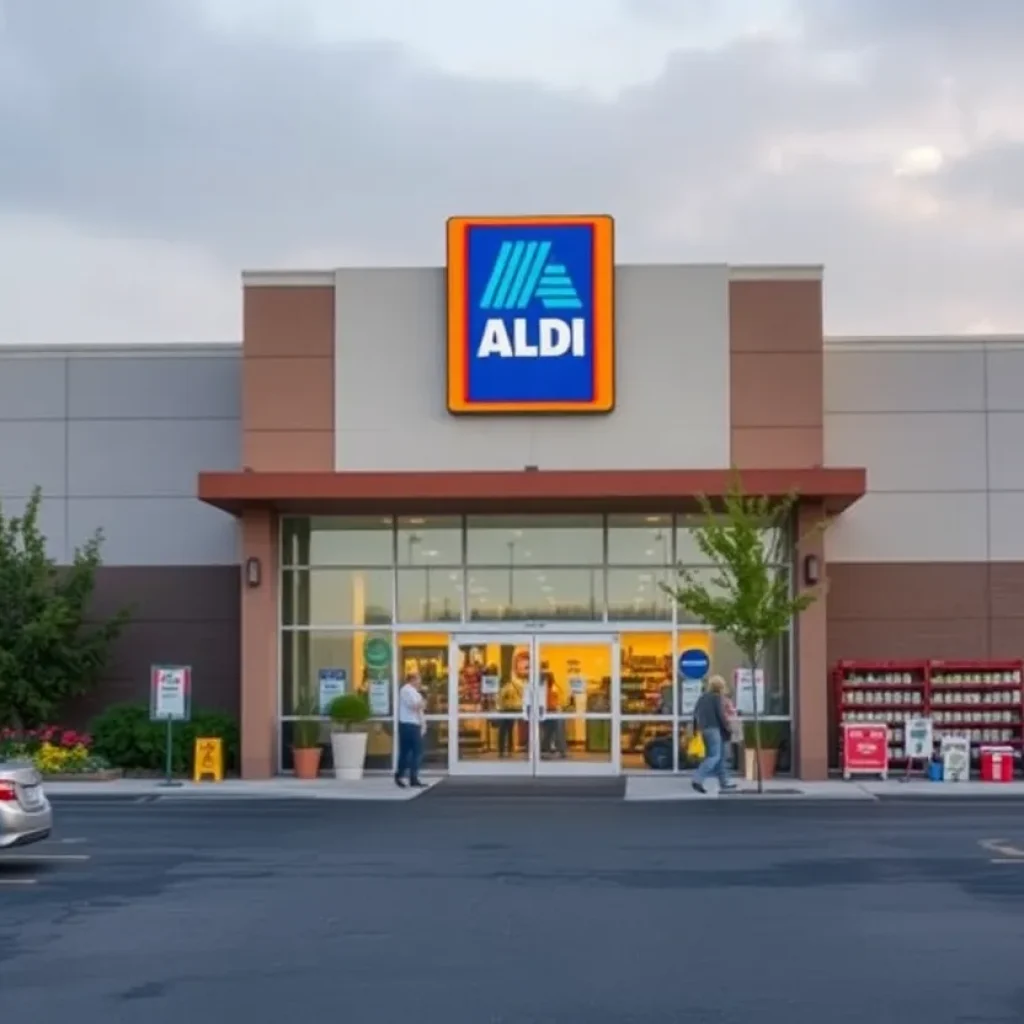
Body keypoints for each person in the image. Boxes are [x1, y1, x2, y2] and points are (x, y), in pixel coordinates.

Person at [691, 675, 738, 794]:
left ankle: (724, 783)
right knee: (715, 756)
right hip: (715, 729)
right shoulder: (717, 698)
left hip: (705, 730)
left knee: (720, 757)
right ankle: (698, 778)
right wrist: (728, 728)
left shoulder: (702, 698)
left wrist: (695, 730)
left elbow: (695, 714)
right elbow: (721, 715)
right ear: (721, 686)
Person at [395, 671, 426, 788]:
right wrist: (423, 700)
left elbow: (419, 709)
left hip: (413, 724)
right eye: (418, 679)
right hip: (409, 725)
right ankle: (411, 777)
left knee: (407, 752)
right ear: (412, 679)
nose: (420, 682)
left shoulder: (413, 691)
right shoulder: (406, 690)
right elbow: (415, 706)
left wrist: (423, 724)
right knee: (416, 752)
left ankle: (401, 775)